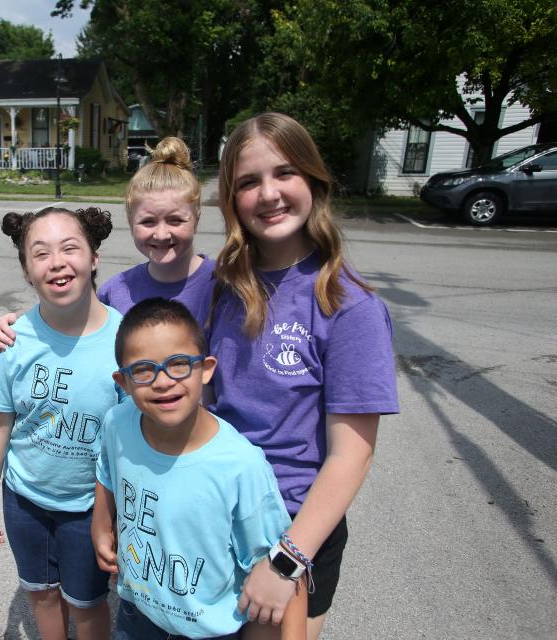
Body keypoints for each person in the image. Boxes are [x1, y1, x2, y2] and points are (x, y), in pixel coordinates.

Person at [210, 113, 400, 639]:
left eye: (285, 173)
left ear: (313, 181)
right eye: (248, 181)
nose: (268, 193)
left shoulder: (348, 305)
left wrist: (286, 561)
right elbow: (132, 303)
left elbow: (351, 453)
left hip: (292, 529)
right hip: (215, 511)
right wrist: (33, 321)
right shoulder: (222, 286)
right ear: (231, 199)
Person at [93, 298, 305, 640]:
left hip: (209, 632)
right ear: (124, 382)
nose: (163, 381)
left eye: (178, 363)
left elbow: (278, 570)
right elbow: (106, 472)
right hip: (136, 615)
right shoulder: (117, 422)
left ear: (205, 369)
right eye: (143, 369)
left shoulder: (240, 465)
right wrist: (100, 526)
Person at [0, 206, 120, 640]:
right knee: (41, 593)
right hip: (24, 501)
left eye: (70, 248)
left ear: (94, 257)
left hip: (90, 508)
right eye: (40, 254)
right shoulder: (16, 340)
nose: (56, 261)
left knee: (88, 603)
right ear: (27, 272)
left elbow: (136, 437)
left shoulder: (125, 342)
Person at [0, 136, 215, 350]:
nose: (162, 233)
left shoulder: (224, 285)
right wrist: (20, 325)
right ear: (130, 222)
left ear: (196, 218)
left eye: (175, 220)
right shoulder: (116, 291)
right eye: (148, 221)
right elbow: (70, 323)